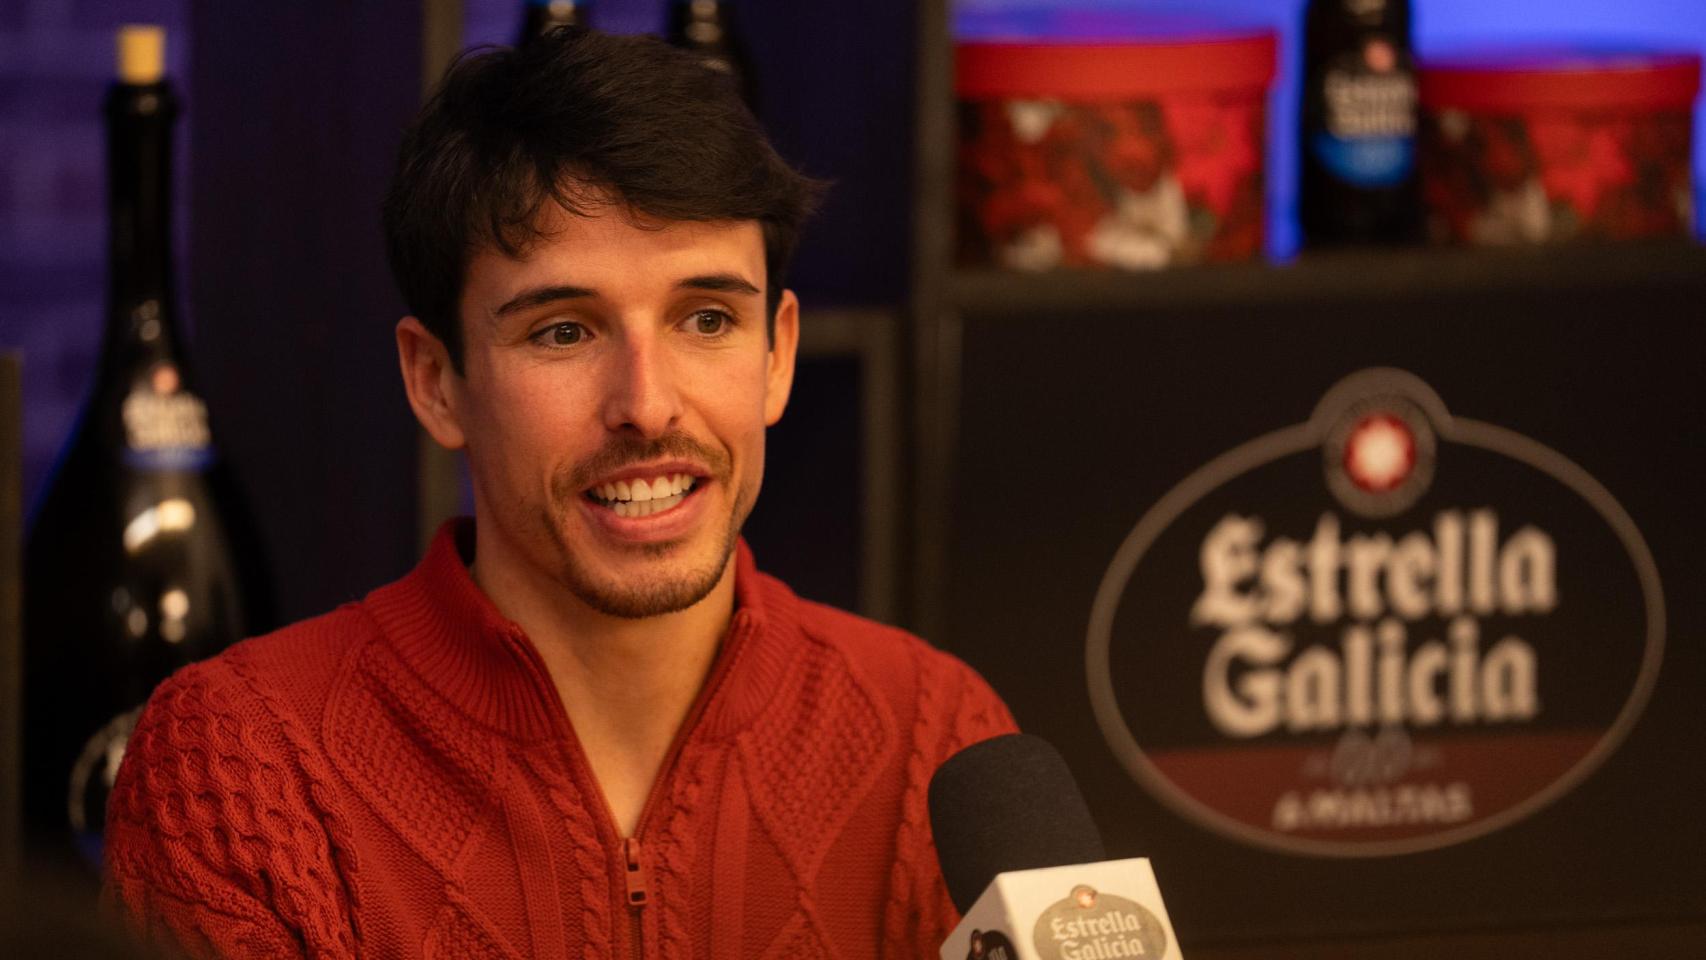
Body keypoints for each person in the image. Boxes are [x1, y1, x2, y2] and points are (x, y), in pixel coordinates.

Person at [102, 26, 1016, 960]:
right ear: (435, 381)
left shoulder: (938, 743)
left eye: (707, 319)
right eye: (564, 333)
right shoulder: (241, 767)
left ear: (777, 354)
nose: (648, 406)